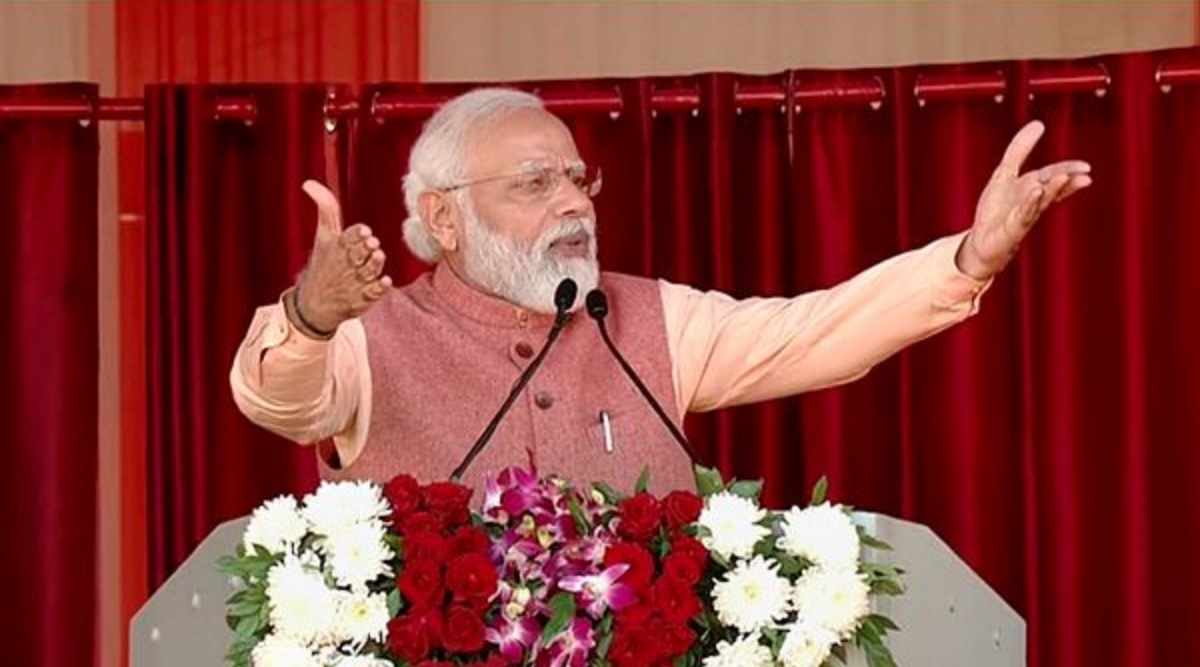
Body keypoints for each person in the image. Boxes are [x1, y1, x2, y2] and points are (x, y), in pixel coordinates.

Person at [230, 87, 1091, 495]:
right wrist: (310, 315)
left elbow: (817, 331)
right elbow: (279, 401)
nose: (572, 201)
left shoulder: (646, 317)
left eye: (576, 177)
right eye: (535, 184)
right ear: (441, 219)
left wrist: (969, 260)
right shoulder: (370, 333)